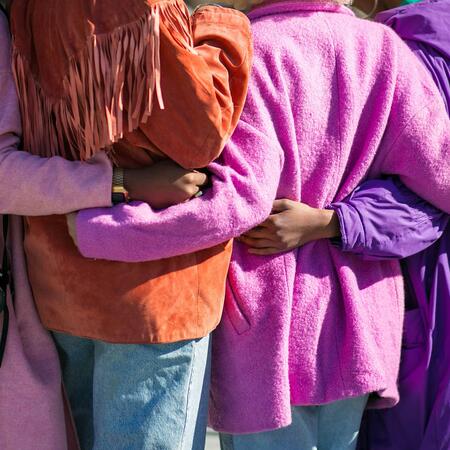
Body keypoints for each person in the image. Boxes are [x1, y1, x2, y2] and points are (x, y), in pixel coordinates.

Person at [68, 0, 449, 449]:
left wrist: (100, 226)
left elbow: (232, 202)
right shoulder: (385, 50)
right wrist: (340, 219)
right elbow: (441, 176)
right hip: (359, 324)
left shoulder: (247, 51)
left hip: (267, 332)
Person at [2, 0, 252, 448]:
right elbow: (200, 134)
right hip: (151, 293)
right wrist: (223, 23)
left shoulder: (26, 8)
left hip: (62, 283)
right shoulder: (135, 5)